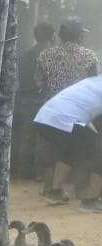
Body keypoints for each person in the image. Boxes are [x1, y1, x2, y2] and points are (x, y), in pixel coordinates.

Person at [33, 74, 102, 212]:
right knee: (99, 153)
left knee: (70, 150)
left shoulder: (92, 81)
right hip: (63, 120)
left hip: (43, 119)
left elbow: (83, 110)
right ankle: (90, 201)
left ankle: (55, 193)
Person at [15, 22, 57, 181]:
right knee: (43, 138)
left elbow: (23, 80)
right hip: (45, 99)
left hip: (26, 98)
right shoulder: (52, 55)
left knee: (27, 136)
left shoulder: (26, 54)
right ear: (52, 36)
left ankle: (23, 171)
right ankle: (39, 173)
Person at [36, 17, 98, 101]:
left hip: (52, 107)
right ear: (79, 36)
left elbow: (39, 84)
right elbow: (93, 87)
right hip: (78, 108)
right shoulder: (90, 56)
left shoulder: (44, 55)